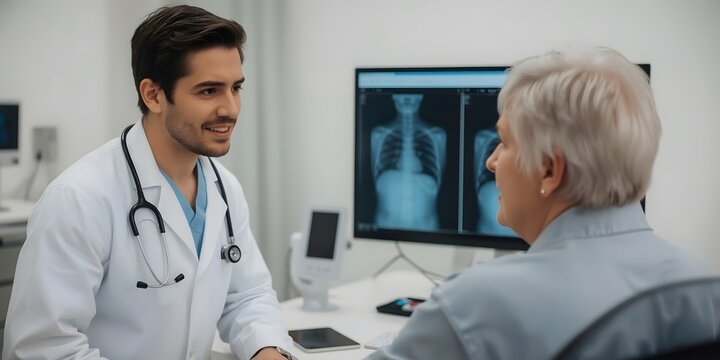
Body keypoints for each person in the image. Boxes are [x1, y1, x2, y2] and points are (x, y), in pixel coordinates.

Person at [366, 47, 712, 360]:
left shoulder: (475, 305)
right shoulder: (700, 287)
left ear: (549, 169)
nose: (491, 161)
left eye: (504, 142)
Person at [3, 5, 295, 360]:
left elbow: (248, 296)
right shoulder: (79, 199)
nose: (231, 109)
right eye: (209, 91)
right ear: (153, 95)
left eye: (236, 88)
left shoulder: (225, 188)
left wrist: (266, 350)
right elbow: (43, 348)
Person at [370, 93, 446, 230]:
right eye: (401, 95)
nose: (407, 100)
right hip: (386, 227)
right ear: (394, 97)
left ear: (420, 97)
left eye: (413, 96)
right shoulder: (378, 134)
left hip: (426, 228)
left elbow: (440, 185)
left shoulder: (437, 135)